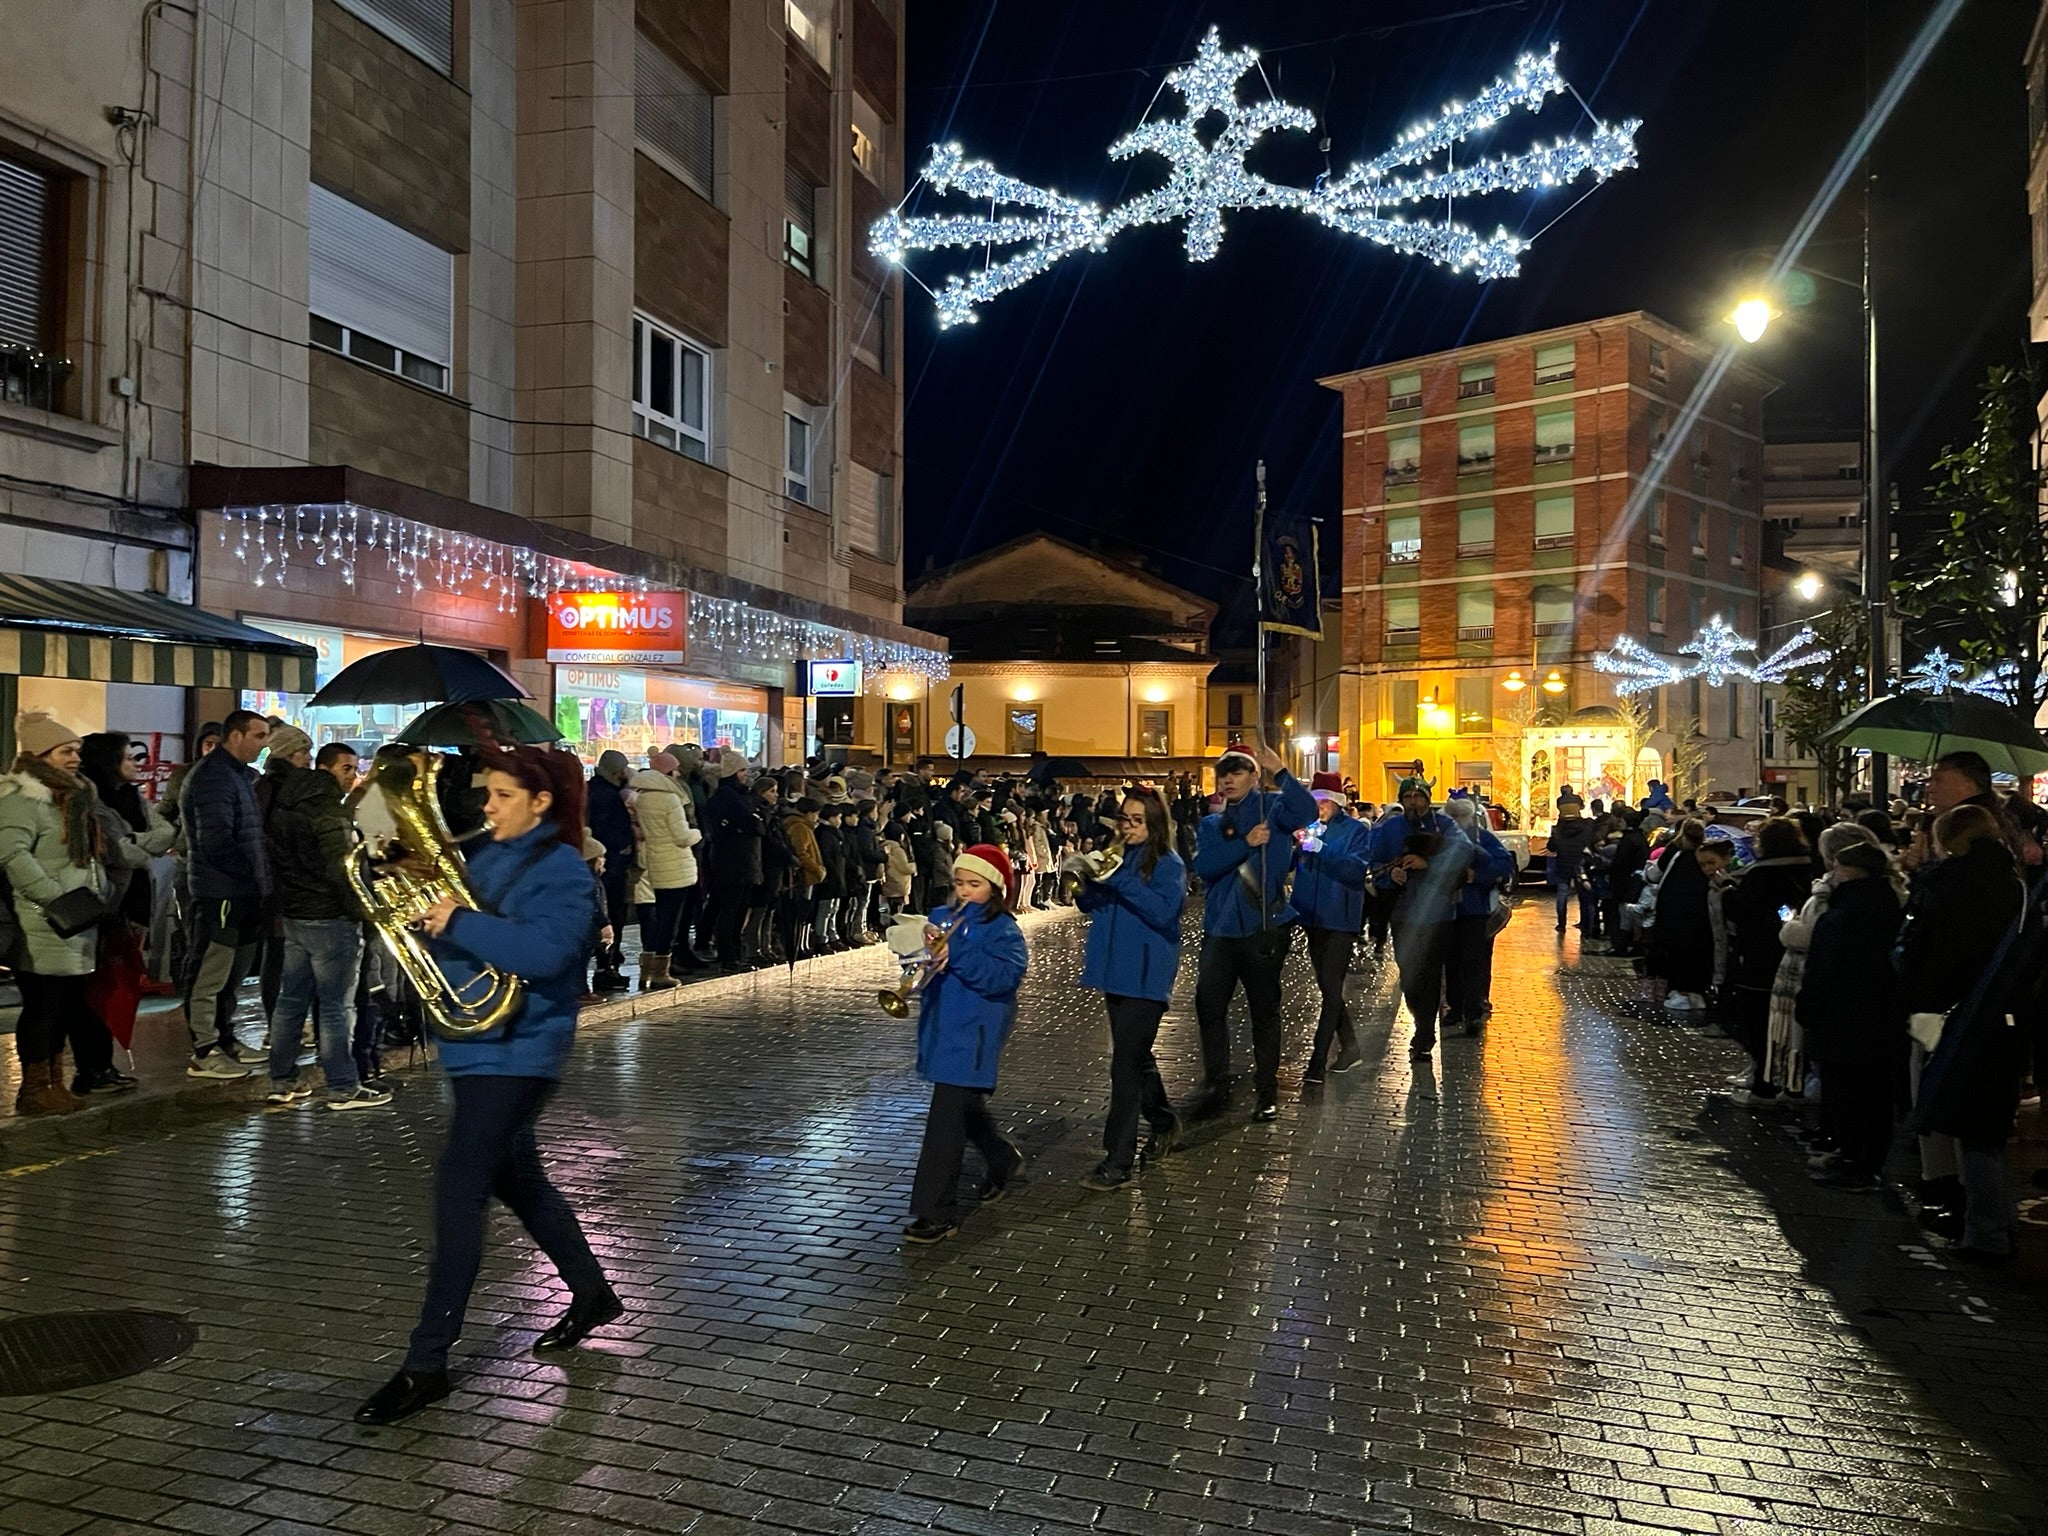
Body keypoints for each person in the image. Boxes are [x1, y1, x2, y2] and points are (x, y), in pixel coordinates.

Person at [355, 744, 619, 1425]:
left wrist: (459, 920)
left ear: (540, 802)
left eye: (502, 795)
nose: (487, 805)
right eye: (487, 793)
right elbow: (461, 940)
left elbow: (545, 953)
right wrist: (415, 898)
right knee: (518, 1182)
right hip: (474, 1046)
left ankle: (426, 1362)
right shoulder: (487, 855)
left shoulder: (560, 866)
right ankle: (591, 1293)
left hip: (520, 1050)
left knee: (457, 1193)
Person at [1897, 804, 2028, 1262]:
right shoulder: (2017, 887)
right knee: (1986, 1126)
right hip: (2005, 1016)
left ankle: (1984, 1232)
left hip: (1953, 1016)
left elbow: (1924, 954)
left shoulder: (1947, 885)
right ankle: (1998, 1223)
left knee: (1965, 1123)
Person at [904, 843, 1029, 1244]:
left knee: (945, 1123)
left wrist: (954, 953)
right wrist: (915, 958)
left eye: (974, 884)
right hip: (943, 1025)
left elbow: (1003, 980)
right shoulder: (940, 918)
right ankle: (1000, 1158)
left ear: (995, 888)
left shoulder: (1004, 930)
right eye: (959, 883)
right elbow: (923, 964)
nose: (964, 891)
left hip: (975, 1031)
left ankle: (935, 1211)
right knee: (962, 1109)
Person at [262, 735, 389, 1111]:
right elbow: (341, 867)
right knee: (336, 1007)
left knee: (290, 1002)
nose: (353, 777)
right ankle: (342, 1086)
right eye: (346, 769)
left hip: (296, 914)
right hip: (330, 917)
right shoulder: (329, 809)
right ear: (325, 769)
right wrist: (361, 908)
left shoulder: (286, 802)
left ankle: (281, 1080)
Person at [1191, 743, 1316, 1120]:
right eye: (1222, 773)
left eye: (1237, 771)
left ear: (1253, 775)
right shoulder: (1213, 823)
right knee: (1209, 1006)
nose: (1228, 779)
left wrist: (1280, 771)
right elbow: (1205, 866)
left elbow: (1306, 811)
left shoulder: (1274, 811)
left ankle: (1266, 1091)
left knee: (1264, 1011)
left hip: (1263, 927)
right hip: (1220, 930)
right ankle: (1217, 1082)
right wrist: (1244, 844)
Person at [0, 713, 117, 1114]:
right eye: (66, 751)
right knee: (43, 1007)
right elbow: (12, 854)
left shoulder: (72, 794)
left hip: (74, 920)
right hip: (42, 920)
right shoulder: (22, 797)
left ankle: (53, 1083)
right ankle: (33, 1090)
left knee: (64, 1007)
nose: (75, 759)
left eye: (77, 751)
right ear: (40, 755)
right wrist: (54, 898)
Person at [1074, 791, 1187, 1190]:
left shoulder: (1169, 864)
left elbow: (1163, 911)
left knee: (1124, 1065)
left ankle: (1117, 1160)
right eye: (1125, 819)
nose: (1128, 827)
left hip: (1146, 975)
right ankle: (1161, 1119)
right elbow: (1093, 906)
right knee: (1134, 1055)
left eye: (1137, 820)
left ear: (1154, 823)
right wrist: (1086, 882)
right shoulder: (1116, 857)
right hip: (1115, 972)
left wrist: (1116, 879)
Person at [1796, 837, 1905, 1189]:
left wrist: (1808, 1007)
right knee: (1870, 1093)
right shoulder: (1890, 907)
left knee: (1849, 1092)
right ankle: (1858, 1155)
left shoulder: (1842, 916)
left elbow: (1822, 969)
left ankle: (1857, 1161)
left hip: (1842, 1017)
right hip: (1877, 1015)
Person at [78, 731, 178, 1094]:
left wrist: (139, 844)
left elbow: (164, 831)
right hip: (105, 902)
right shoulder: (92, 799)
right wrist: (142, 844)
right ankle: (91, 1067)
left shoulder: (132, 795)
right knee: (100, 987)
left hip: (134, 899)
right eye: (127, 757)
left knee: (118, 983)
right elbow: (122, 852)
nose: (136, 763)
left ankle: (104, 1065)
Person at [179, 708, 271, 1075]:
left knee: (233, 972)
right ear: (236, 735)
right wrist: (248, 875)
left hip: (243, 891)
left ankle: (225, 1038)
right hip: (221, 891)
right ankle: (205, 1048)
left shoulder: (237, 776)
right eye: (259, 736)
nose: (264, 745)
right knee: (210, 970)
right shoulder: (214, 777)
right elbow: (215, 840)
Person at [1364, 776, 1471, 1061]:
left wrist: (1429, 863)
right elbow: (1374, 862)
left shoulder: (1445, 826)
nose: (1413, 801)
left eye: (1418, 796)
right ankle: (1420, 1019)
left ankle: (1424, 1033)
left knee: (1431, 973)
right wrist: (1391, 874)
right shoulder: (1390, 829)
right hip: (1403, 913)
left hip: (1437, 913)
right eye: (1407, 796)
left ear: (1427, 798)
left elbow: (1462, 852)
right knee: (1409, 976)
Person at [1717, 817, 1819, 1105]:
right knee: (1791, 1027)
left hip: (1759, 957)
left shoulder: (1762, 875)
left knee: (1759, 1022)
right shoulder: (1808, 869)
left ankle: (1765, 1084)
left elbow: (1739, 909)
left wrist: (1726, 890)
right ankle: (1790, 1082)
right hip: (1795, 958)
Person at [1288, 779, 1370, 1081]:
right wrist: (1295, 847)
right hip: (1312, 918)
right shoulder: (1311, 826)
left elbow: (1355, 870)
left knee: (1332, 987)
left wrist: (1321, 849)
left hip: (1340, 918)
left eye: (1323, 802)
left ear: (1336, 802)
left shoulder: (1356, 830)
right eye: (1316, 803)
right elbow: (1292, 866)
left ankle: (1317, 1058)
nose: (1319, 808)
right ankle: (1351, 1047)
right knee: (1327, 986)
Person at [626, 753, 700, 992]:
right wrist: (697, 834)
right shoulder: (670, 799)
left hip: (654, 861)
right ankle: (660, 973)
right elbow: (681, 836)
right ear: (668, 773)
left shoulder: (641, 797)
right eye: (675, 770)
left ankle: (646, 971)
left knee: (659, 918)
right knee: (671, 919)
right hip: (675, 865)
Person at [1442, 795, 1516, 1037]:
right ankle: (1455, 1007)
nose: (1456, 820)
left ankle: (1472, 1011)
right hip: (1448, 911)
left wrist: (1477, 876)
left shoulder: (1481, 838)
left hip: (1474, 910)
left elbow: (1504, 864)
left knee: (1472, 962)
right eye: (1452, 816)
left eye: (1460, 816)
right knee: (1451, 962)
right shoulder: (1443, 838)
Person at [1647, 820, 1727, 1014]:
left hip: (1674, 917)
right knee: (1696, 953)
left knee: (1678, 954)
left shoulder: (1676, 853)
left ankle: (1683, 993)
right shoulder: (1705, 856)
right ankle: (1695, 992)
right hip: (1700, 918)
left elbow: (1655, 875)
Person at [704, 764, 765, 971]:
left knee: (738, 910)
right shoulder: (727, 796)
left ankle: (734, 954)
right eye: (740, 770)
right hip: (732, 862)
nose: (745, 774)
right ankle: (729, 956)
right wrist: (753, 823)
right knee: (730, 910)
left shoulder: (739, 796)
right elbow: (753, 824)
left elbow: (756, 824)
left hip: (743, 861)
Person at [585, 752, 634, 992]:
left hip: (607, 859)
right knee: (611, 914)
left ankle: (608, 963)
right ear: (617, 771)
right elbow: (604, 827)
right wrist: (622, 846)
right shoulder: (605, 795)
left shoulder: (598, 790)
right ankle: (606, 966)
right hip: (609, 862)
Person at [1546, 792, 1596, 936]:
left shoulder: (1558, 829)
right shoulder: (1587, 826)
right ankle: (1586, 924)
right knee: (1584, 896)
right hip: (1582, 864)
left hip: (1563, 864)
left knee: (1562, 894)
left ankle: (1561, 924)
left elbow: (1551, 847)